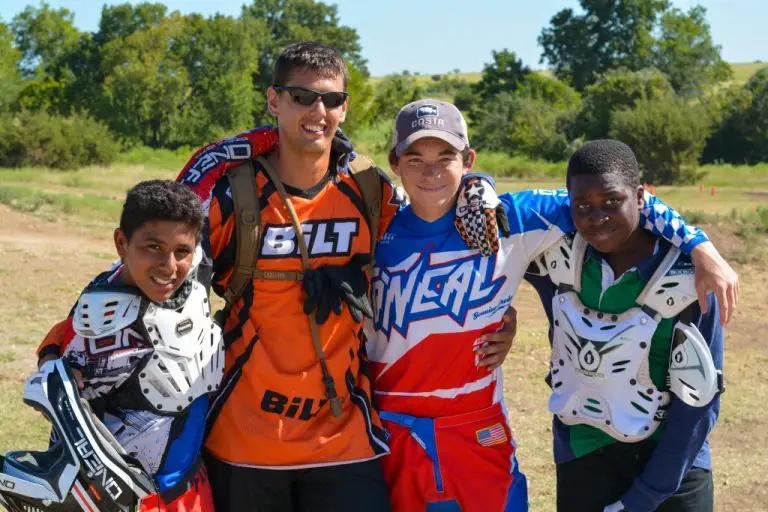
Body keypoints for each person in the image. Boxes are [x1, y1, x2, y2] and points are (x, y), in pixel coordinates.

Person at [364, 101, 736, 512]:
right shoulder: (371, 227)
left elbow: (626, 197)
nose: (431, 172)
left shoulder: (510, 220)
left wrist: (699, 245)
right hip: (389, 431)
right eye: (415, 158)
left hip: (475, 432)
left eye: (446, 157)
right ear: (395, 162)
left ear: (468, 159)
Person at [526, 140, 725, 512]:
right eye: (582, 205)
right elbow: (487, 218)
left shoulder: (690, 276)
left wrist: (646, 497)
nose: (596, 216)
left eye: (612, 201)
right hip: (584, 454)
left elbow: (699, 403)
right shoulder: (557, 260)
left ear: (640, 195)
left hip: (674, 468)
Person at [34, 180, 220, 511]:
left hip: (191, 485)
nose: (169, 266)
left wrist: (267, 138)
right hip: (131, 495)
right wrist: (52, 360)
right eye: (153, 248)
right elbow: (64, 348)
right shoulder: (101, 316)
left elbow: (206, 173)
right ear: (122, 243)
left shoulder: (195, 267)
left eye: (181, 251)